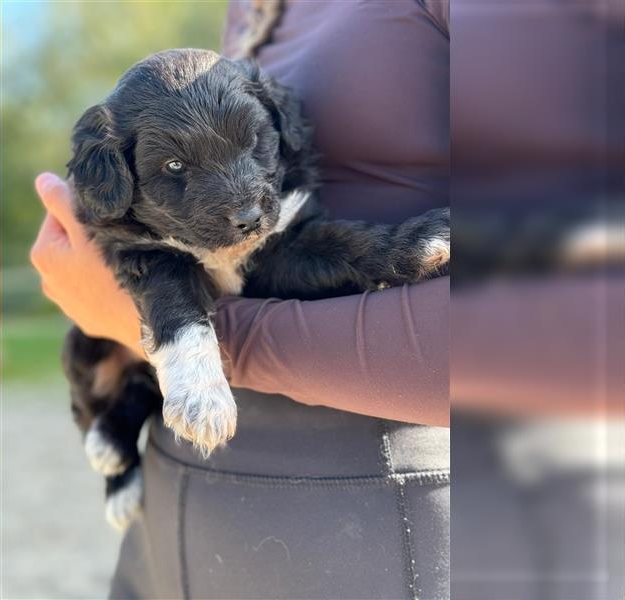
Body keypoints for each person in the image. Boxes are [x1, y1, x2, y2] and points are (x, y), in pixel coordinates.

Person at [30, 2, 449, 598]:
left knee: (306, 247)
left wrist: (400, 252)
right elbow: (136, 266)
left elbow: (298, 255)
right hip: (174, 515)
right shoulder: (248, 15)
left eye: (252, 146)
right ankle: (116, 444)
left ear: (274, 128)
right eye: (174, 167)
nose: (245, 206)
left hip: (372, 519)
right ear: (116, 176)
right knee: (99, 363)